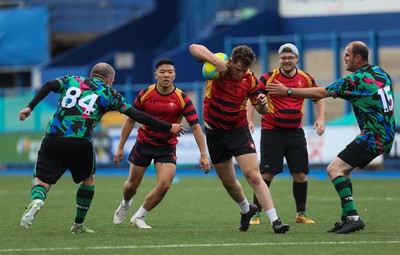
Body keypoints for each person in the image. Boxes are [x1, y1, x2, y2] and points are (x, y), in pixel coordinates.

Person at [19, 62, 185, 234]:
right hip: (80, 142)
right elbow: (137, 115)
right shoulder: (109, 93)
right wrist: (168, 127)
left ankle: (38, 199)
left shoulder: (72, 80)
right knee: (88, 180)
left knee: (43, 181)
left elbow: (48, 85)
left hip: (53, 138)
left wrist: (30, 107)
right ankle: (78, 225)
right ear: (109, 79)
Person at [266, 41, 395, 234]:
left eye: (347, 55)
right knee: (345, 171)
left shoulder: (356, 79)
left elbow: (321, 92)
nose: (344, 58)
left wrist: (288, 91)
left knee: (334, 169)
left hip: (373, 136)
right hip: (385, 135)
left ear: (358, 58)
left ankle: (353, 217)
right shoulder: (379, 72)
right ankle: (346, 218)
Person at [189, 43, 290, 233]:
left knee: (253, 175)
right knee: (228, 181)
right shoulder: (217, 68)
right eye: (237, 69)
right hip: (214, 132)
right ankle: (246, 209)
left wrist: (261, 104)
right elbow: (193, 47)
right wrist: (215, 61)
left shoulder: (250, 79)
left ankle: (275, 220)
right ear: (231, 62)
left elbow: (263, 110)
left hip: (238, 130)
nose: (240, 74)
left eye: (244, 70)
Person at [112, 58, 211, 228]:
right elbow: (130, 120)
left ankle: (139, 216)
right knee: (131, 186)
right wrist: (120, 146)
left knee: (164, 185)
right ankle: (126, 203)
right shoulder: (145, 94)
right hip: (144, 144)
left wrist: (203, 154)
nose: (166, 75)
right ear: (156, 74)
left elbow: (195, 127)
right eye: (163, 72)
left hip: (166, 147)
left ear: (175, 76)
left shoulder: (182, 99)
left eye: (170, 72)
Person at [247, 43, 325, 225]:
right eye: (283, 57)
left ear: (297, 59)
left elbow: (318, 97)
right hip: (272, 132)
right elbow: (253, 98)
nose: (287, 60)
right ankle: (256, 214)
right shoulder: (268, 77)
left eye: (290, 57)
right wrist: (250, 120)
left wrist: (321, 119)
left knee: (300, 175)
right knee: (266, 174)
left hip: (295, 133)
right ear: (279, 59)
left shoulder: (305, 78)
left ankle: (301, 214)